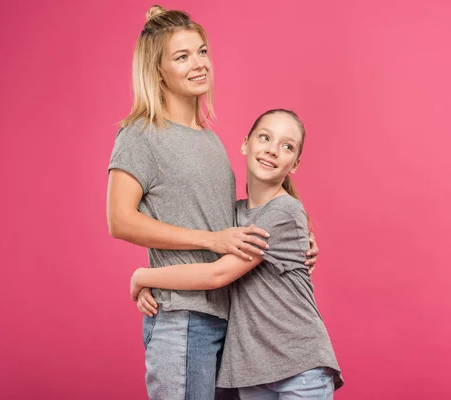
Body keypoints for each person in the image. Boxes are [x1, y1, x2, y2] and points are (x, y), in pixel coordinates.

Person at [107, 6, 319, 399]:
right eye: (182, 57)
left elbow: (229, 217)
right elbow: (120, 220)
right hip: (183, 317)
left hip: (229, 321)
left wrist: (292, 236)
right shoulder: (140, 134)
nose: (199, 64)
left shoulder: (209, 139)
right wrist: (210, 241)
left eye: (202, 52)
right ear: (158, 71)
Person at [131, 109, 343, 399]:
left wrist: (144, 276)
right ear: (246, 143)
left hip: (299, 366)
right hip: (252, 372)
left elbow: (217, 273)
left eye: (287, 146)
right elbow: (199, 255)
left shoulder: (284, 210)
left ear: (295, 164)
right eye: (265, 137)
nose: (272, 150)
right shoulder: (231, 216)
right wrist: (157, 285)